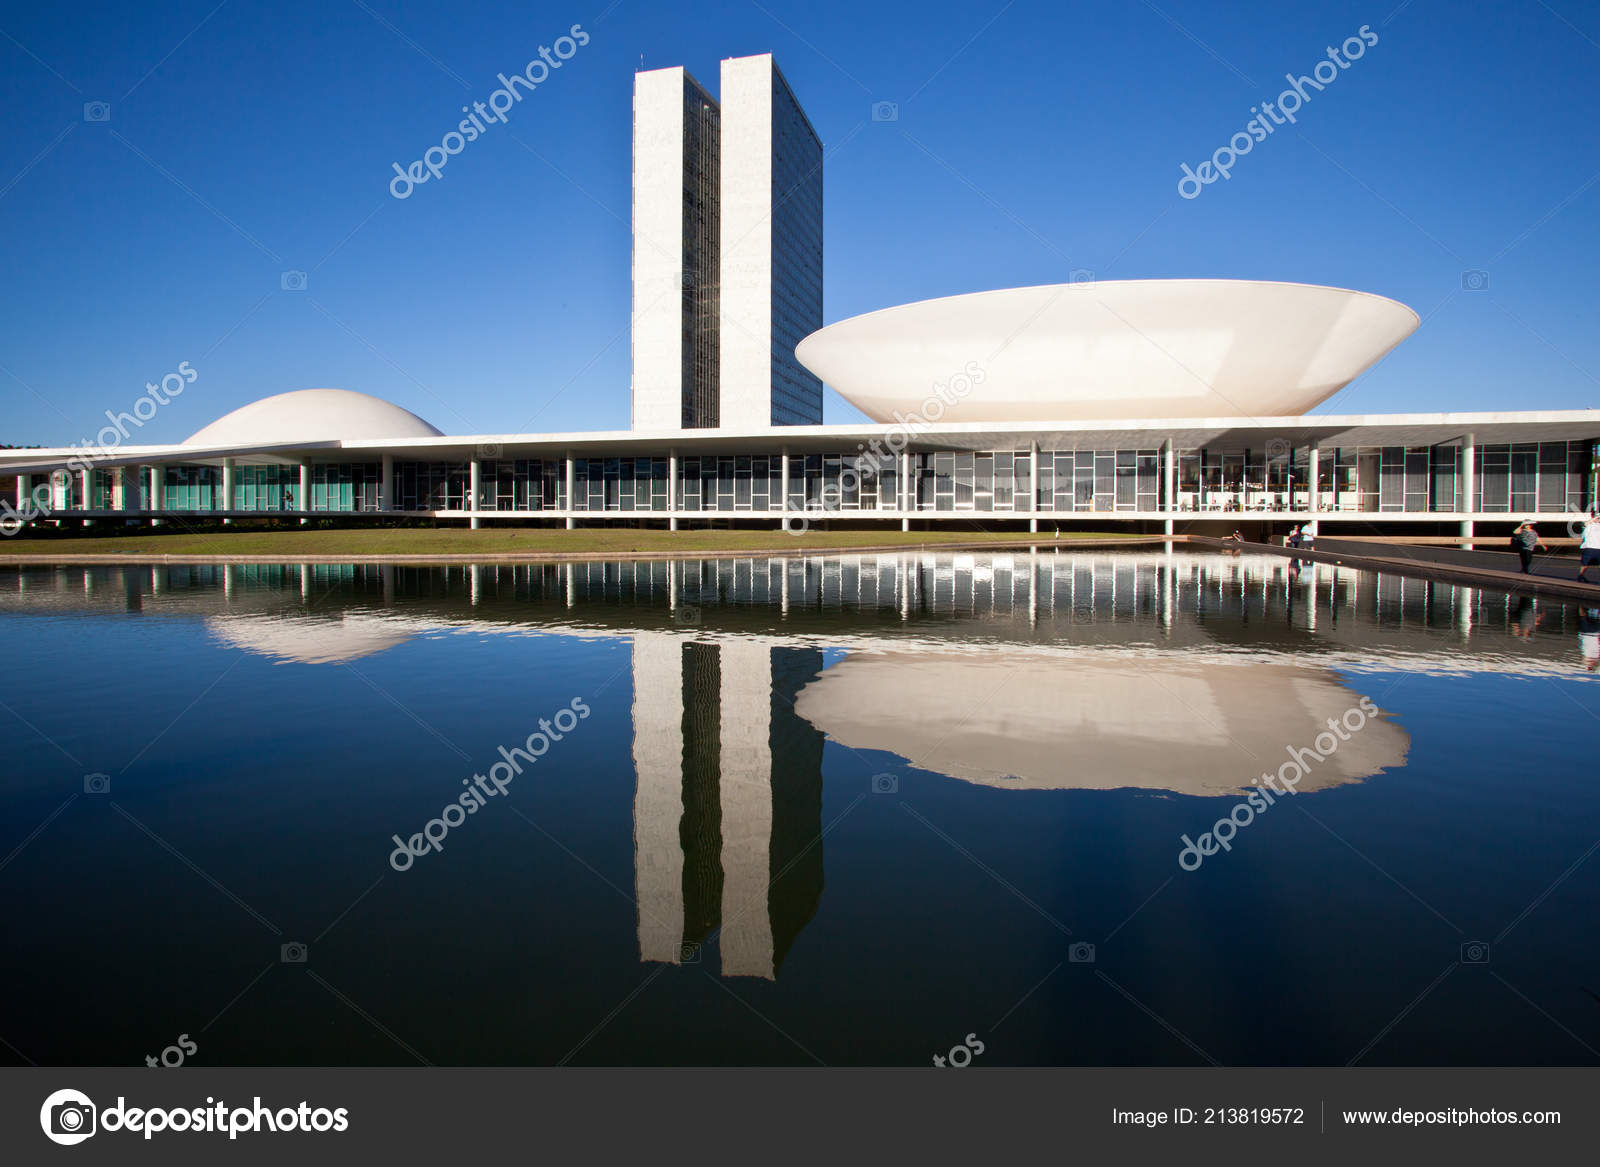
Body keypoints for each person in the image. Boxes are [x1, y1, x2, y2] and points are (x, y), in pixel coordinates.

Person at [1579, 511, 1600, 583]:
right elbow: (1585, 524)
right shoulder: (1589, 524)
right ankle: (1581, 576)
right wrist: (1595, 518)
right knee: (1585, 564)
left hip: (1598, 548)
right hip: (1589, 547)